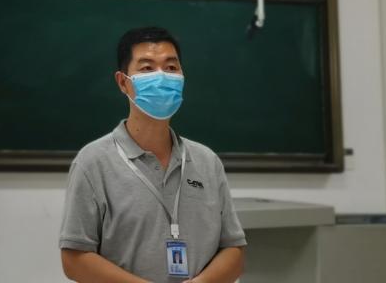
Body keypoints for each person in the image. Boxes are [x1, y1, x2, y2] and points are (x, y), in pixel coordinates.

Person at [59, 27, 246, 282]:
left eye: (171, 68)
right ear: (123, 82)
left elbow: (234, 249)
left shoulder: (207, 161)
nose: (162, 77)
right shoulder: (92, 162)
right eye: (147, 68)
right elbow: (74, 259)